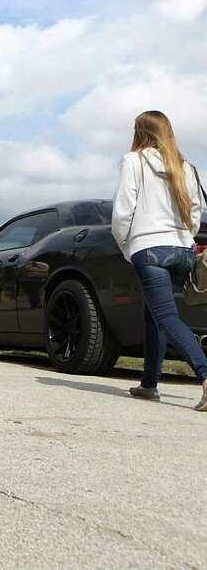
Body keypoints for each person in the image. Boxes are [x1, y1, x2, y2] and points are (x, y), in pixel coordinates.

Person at [111, 111, 206, 411]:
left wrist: (128, 246)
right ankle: (149, 384)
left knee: (165, 316)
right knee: (154, 314)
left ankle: (205, 373)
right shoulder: (185, 166)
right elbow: (194, 212)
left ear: (140, 132)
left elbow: (123, 211)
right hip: (181, 250)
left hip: (149, 247)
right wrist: (184, 237)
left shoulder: (134, 161)